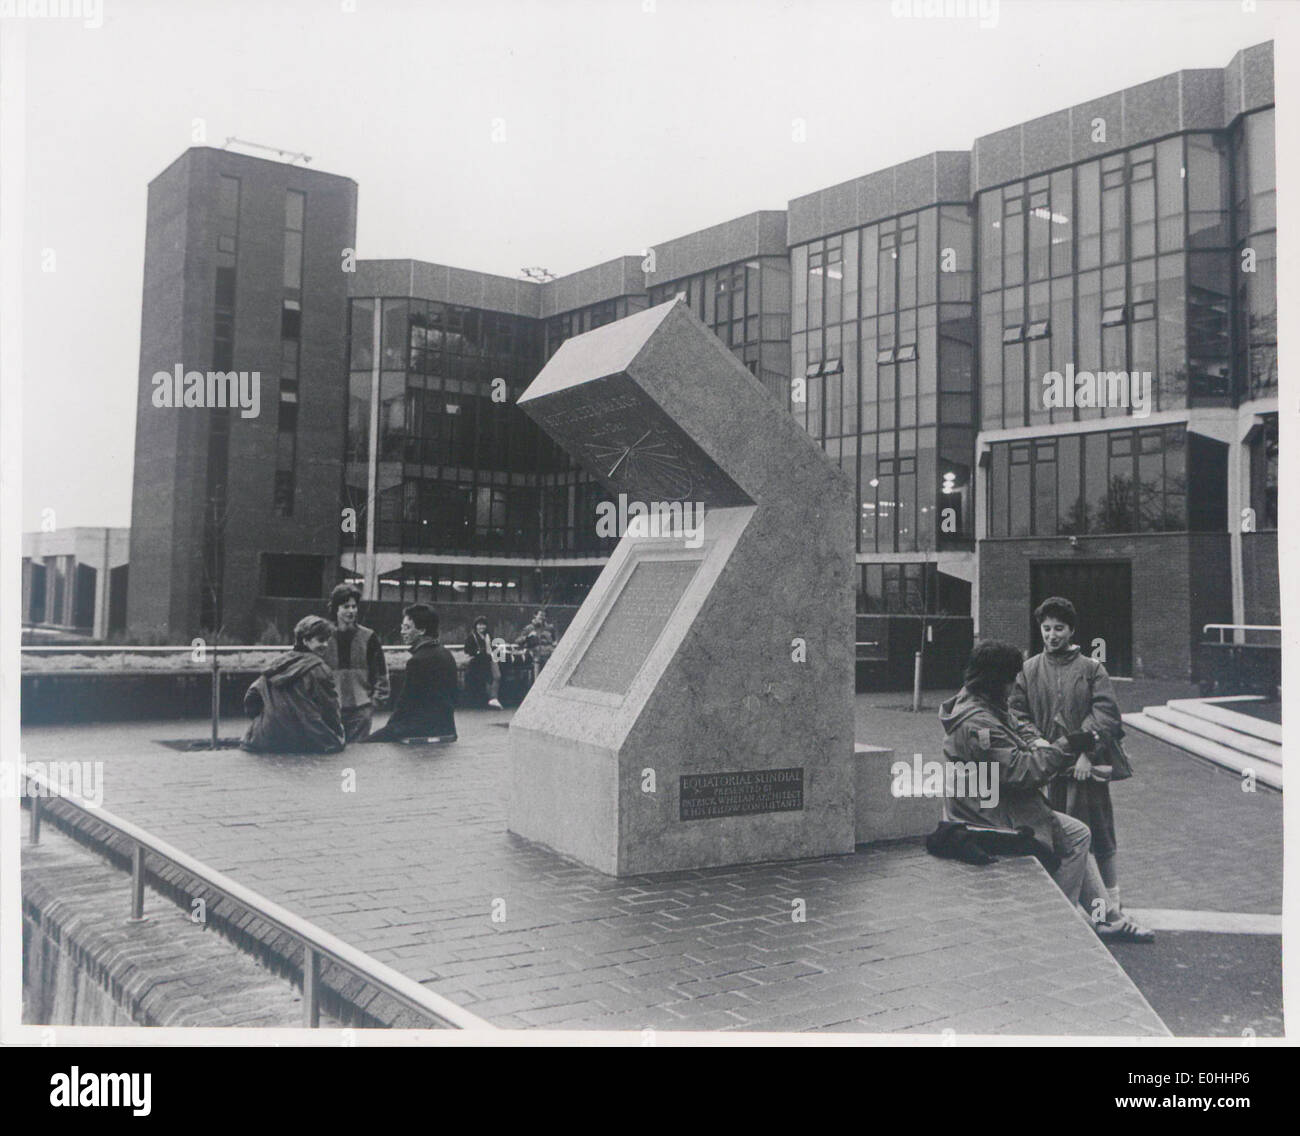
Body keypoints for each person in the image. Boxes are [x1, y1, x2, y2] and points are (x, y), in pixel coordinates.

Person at [939, 639, 1117, 929]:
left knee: (1075, 833)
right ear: (996, 681)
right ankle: (1055, 922)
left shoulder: (977, 702)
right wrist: (1065, 744)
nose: (1013, 688)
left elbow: (1012, 726)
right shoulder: (978, 724)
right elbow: (1024, 772)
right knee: (1074, 839)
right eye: (1011, 681)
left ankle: (1106, 918)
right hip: (988, 816)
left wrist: (1036, 740)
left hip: (988, 804)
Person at [1010, 596, 1154, 943]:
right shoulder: (1029, 670)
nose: (1052, 635)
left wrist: (1087, 753)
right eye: (1046, 628)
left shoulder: (1092, 669)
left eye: (1059, 628)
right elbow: (1017, 713)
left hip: (1085, 772)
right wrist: (1037, 743)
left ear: (1072, 630)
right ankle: (1080, 909)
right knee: (1061, 841)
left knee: (1100, 837)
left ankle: (1111, 909)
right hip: (1048, 773)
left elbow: (1105, 714)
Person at [241, 615, 345, 754]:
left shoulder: (276, 664)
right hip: (305, 740)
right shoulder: (319, 669)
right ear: (305, 640)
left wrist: (261, 719)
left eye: (327, 640)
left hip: (262, 739)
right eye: (321, 640)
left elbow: (252, 697)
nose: (325, 645)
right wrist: (337, 735)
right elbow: (330, 708)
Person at [366, 604, 458, 742]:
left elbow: (405, 702)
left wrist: (389, 728)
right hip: (446, 726)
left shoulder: (417, 661)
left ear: (421, 630)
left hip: (418, 727)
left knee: (366, 741)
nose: (402, 632)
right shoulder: (447, 654)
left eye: (407, 628)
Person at [322, 583, 390, 742]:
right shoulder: (323, 636)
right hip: (330, 709)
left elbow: (381, 672)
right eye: (346, 606)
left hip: (361, 710)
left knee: (358, 757)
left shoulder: (369, 637)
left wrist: (374, 703)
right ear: (336, 609)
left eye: (354, 606)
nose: (351, 611)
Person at [463, 615, 503, 709]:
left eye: (483, 625)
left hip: (490, 658)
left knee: (497, 676)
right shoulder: (472, 637)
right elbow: (467, 649)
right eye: (479, 625)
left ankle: (493, 698)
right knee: (487, 679)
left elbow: (494, 646)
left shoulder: (488, 636)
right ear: (476, 626)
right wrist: (478, 652)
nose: (482, 627)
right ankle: (492, 699)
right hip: (479, 661)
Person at [514, 609, 556, 681]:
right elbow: (518, 641)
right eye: (540, 616)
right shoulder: (529, 628)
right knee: (537, 668)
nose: (542, 618)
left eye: (544, 616)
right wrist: (528, 636)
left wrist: (551, 641)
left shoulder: (549, 628)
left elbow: (554, 641)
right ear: (535, 616)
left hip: (548, 653)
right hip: (535, 653)